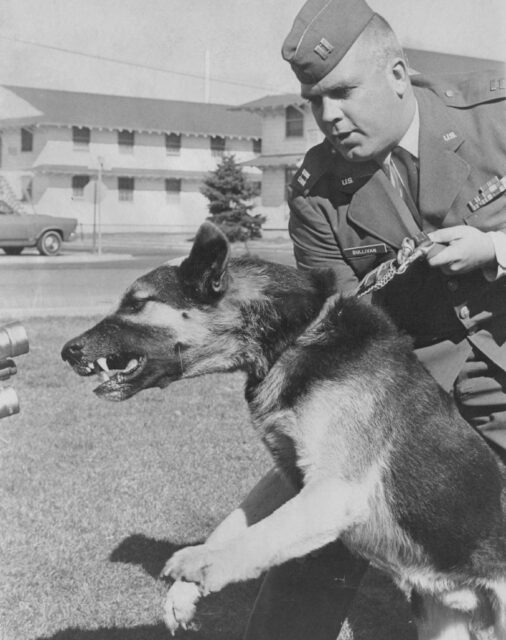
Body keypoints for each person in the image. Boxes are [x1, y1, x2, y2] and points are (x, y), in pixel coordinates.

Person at [206, 1, 506, 638]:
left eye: (344, 92)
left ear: (397, 73)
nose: (330, 117)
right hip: (409, 393)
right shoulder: (317, 188)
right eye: (316, 101)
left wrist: (497, 249)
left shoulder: (495, 117)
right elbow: (344, 328)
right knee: (316, 531)